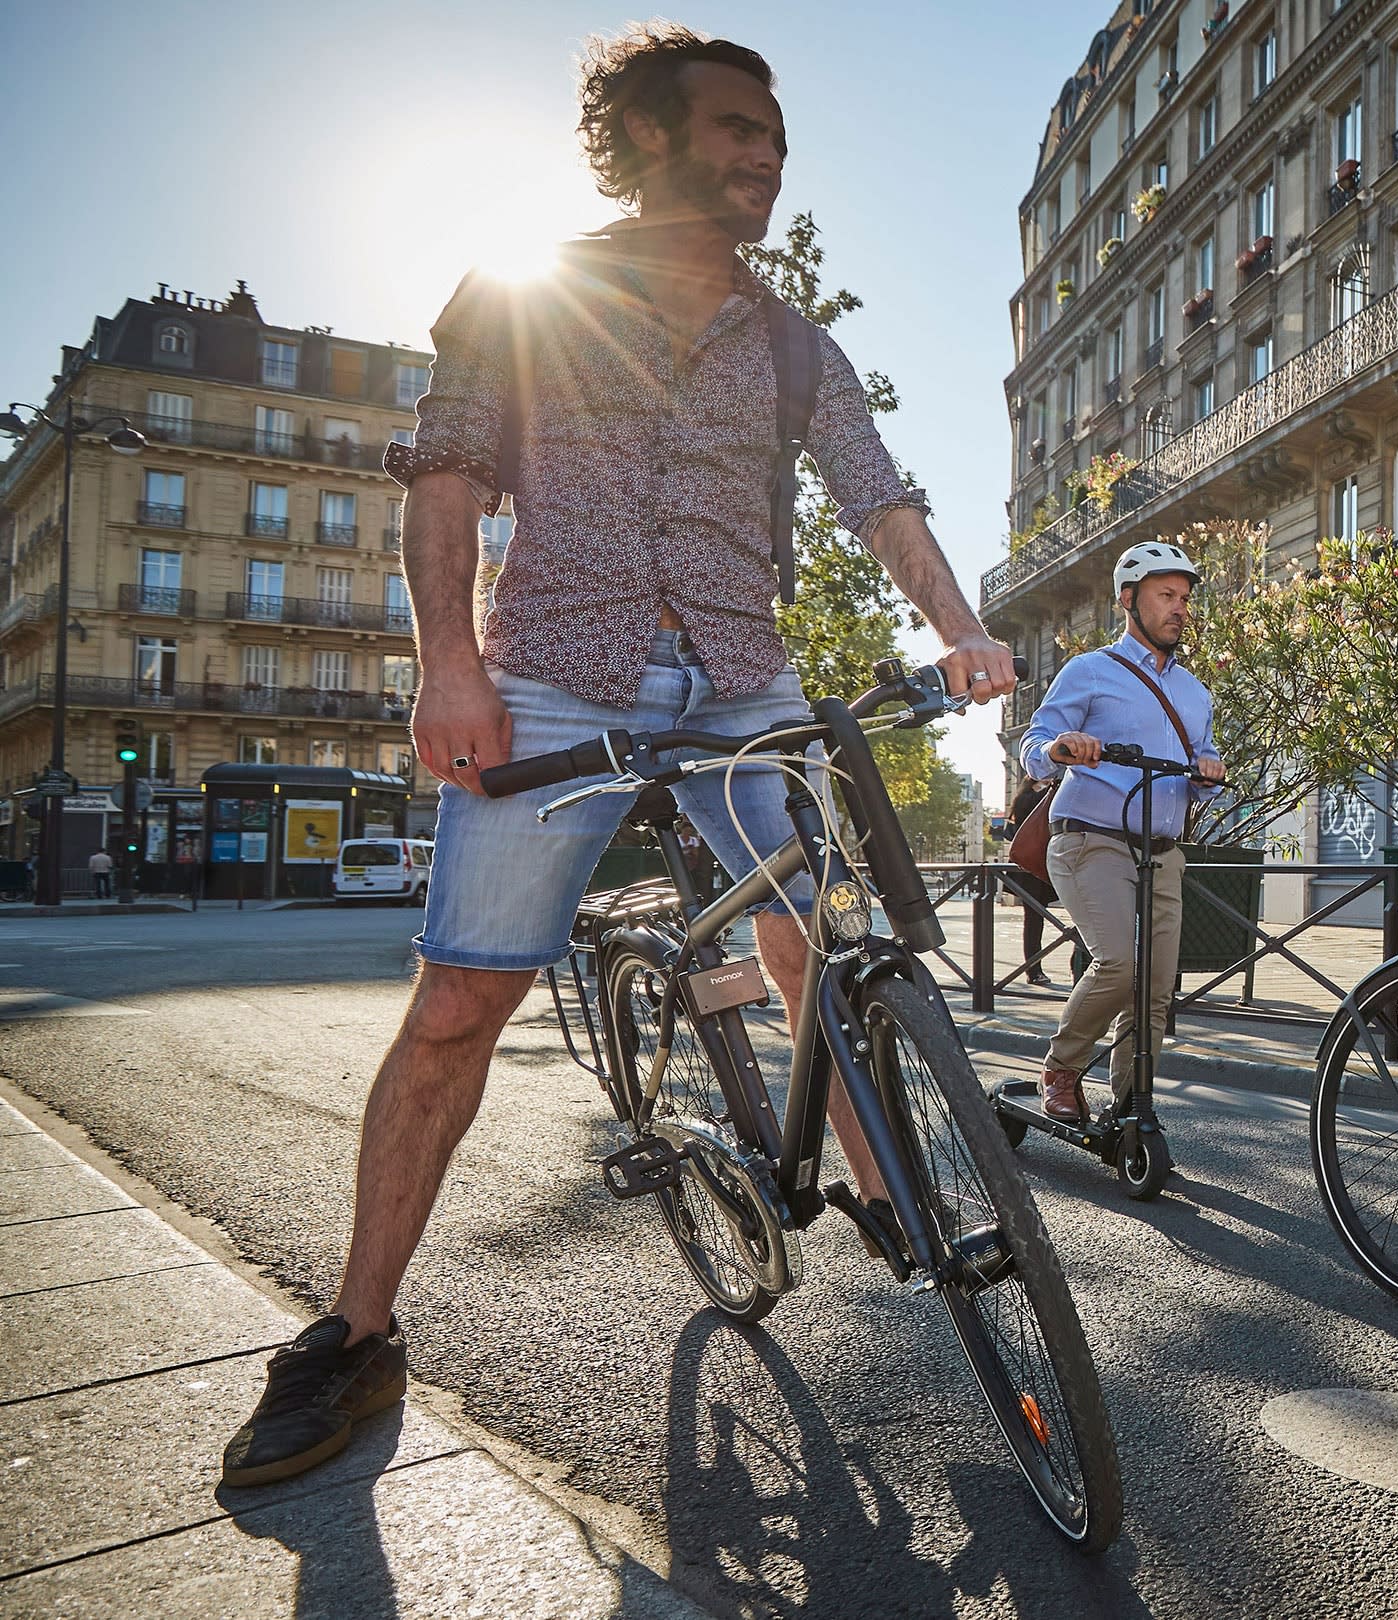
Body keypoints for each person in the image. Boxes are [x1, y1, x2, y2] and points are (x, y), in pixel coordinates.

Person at [217, 24, 1018, 1490]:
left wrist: (964, 628)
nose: (763, 156)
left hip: (738, 678)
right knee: (459, 1004)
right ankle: (352, 1329)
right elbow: (447, 475)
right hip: (551, 678)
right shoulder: (523, 295)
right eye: (731, 128)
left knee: (809, 948)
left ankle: (894, 1194)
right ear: (648, 142)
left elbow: (879, 498)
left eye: (773, 137)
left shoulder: (793, 345)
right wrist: (448, 668)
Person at [1019, 542, 1225, 1123]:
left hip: (1163, 851)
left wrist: (1210, 772)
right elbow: (1035, 746)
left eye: (1184, 598)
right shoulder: (1090, 671)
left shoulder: (1194, 691)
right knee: (1119, 962)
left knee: (1156, 990)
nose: (1179, 608)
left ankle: (1132, 1100)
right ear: (1128, 600)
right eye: (1166, 595)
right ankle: (1062, 1068)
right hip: (1093, 839)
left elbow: (1200, 769)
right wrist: (1062, 748)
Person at [1001, 776, 1061, 988]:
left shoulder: (1035, 794)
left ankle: (1076, 965)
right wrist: (1053, 787)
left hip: (1042, 864)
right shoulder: (1026, 798)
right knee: (1034, 920)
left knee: (1038, 919)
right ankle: (1034, 970)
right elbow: (1038, 806)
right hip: (1029, 866)